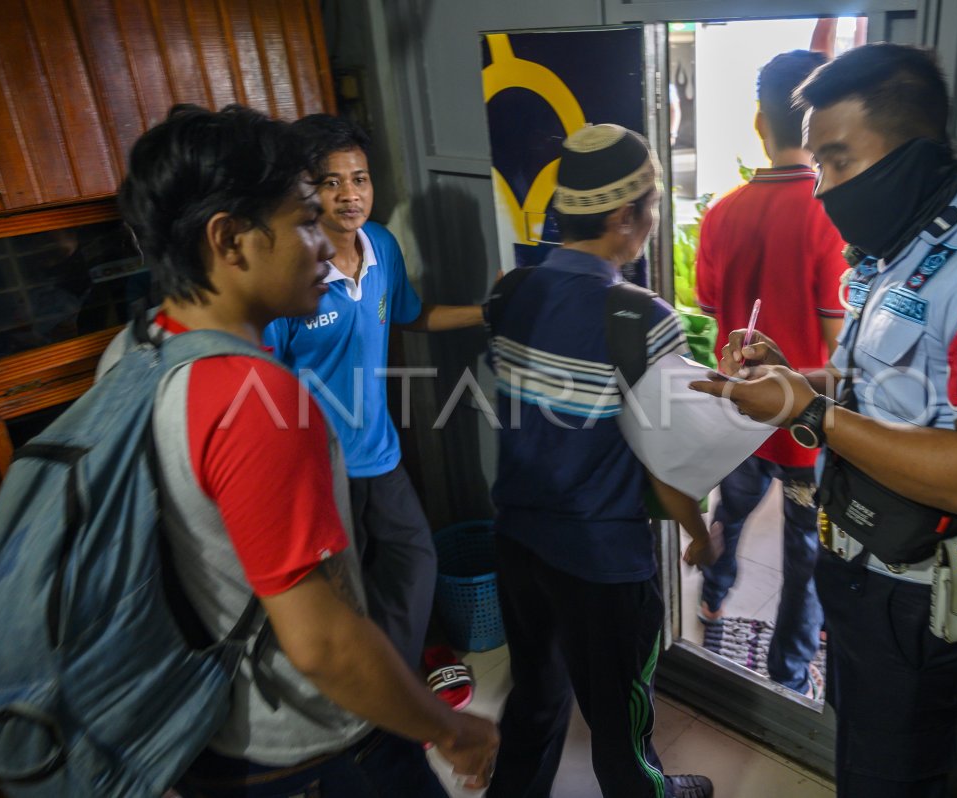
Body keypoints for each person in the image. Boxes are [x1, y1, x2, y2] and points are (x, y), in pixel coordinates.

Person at [691, 44, 957, 797]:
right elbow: (880, 385)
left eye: (838, 161)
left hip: (919, 597)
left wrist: (810, 412)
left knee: (893, 780)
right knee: (864, 767)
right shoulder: (904, 256)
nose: (822, 189)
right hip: (854, 568)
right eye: (816, 163)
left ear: (913, 150)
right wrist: (795, 374)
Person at [109, 104, 498, 796]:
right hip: (304, 748)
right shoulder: (259, 400)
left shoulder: (134, 350)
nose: (322, 240)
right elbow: (323, 640)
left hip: (205, 729)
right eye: (300, 217)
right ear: (230, 239)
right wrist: (445, 726)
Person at [485, 124, 721, 798]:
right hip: (601, 563)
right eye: (651, 207)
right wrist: (700, 534)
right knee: (622, 720)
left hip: (518, 543)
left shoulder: (509, 293)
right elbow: (668, 465)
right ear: (627, 217)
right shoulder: (641, 317)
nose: (652, 221)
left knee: (535, 694)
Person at [263, 114, 483, 710]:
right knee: (347, 585)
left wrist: (487, 313)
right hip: (316, 467)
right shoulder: (290, 273)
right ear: (305, 189)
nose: (349, 194)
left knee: (415, 558)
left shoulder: (381, 245)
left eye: (359, 178)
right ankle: (375, 692)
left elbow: (409, 314)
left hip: (378, 451)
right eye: (331, 181)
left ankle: (402, 668)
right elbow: (263, 380)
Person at [693, 49, 846, 701]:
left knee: (730, 510)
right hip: (805, 426)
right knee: (806, 556)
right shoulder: (831, 216)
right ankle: (787, 674)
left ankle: (711, 601)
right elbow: (841, 346)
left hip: (739, 417)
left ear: (760, 124)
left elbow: (707, 303)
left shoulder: (723, 211)